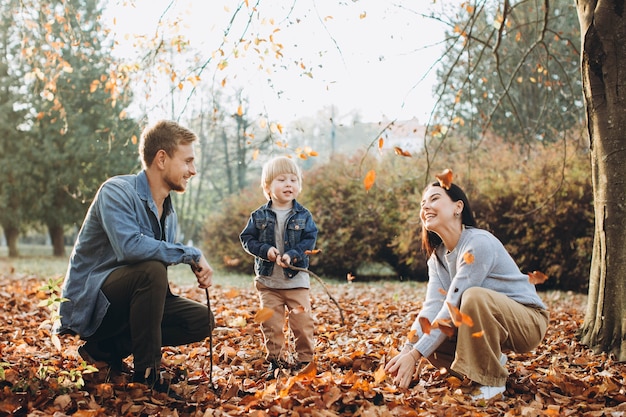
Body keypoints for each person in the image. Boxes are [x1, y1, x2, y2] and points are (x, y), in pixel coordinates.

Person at [57, 120, 215, 392]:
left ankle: (104, 350)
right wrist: (190, 254)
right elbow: (130, 248)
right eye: (187, 161)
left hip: (132, 302)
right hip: (93, 306)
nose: (193, 170)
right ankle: (148, 376)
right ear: (162, 159)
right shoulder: (116, 191)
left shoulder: (169, 212)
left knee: (201, 320)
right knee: (150, 269)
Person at [385, 171, 549, 401]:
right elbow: (432, 308)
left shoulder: (478, 243)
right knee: (431, 344)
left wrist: (414, 355)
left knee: (472, 297)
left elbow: (453, 304)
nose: (425, 207)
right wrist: (407, 350)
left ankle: (490, 382)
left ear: (458, 207)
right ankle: (490, 362)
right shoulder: (437, 258)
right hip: (491, 321)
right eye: (423, 203)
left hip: (527, 320)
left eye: (434, 199)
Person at [239, 156, 318, 378]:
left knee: (302, 323)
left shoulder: (303, 215)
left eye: (294, 180)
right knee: (271, 324)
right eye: (282, 179)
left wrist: (293, 255)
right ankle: (276, 360)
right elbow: (247, 239)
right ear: (267, 186)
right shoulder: (259, 215)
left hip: (296, 282)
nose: (288, 184)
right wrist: (266, 251)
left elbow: (309, 240)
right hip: (269, 283)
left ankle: (305, 359)